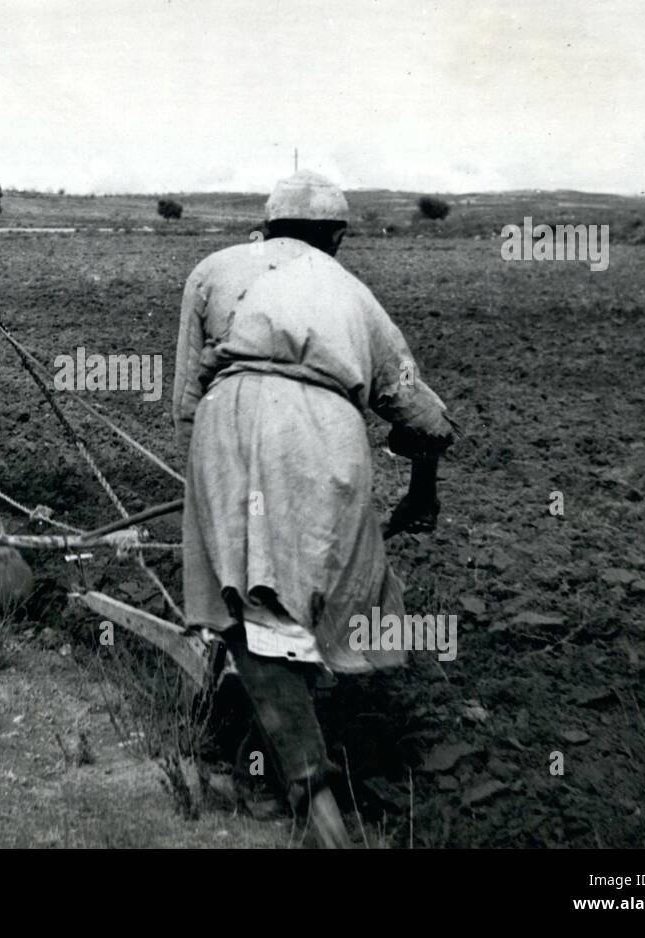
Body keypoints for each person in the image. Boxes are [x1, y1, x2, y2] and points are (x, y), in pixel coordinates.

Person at [172, 171, 455, 847]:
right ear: (336, 237)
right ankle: (310, 789)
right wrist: (422, 490)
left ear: (267, 228)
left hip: (227, 416)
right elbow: (422, 415)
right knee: (309, 591)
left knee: (247, 596)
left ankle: (300, 786)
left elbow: (187, 396)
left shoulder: (212, 270)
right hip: (326, 433)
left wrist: (217, 481)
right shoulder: (352, 292)